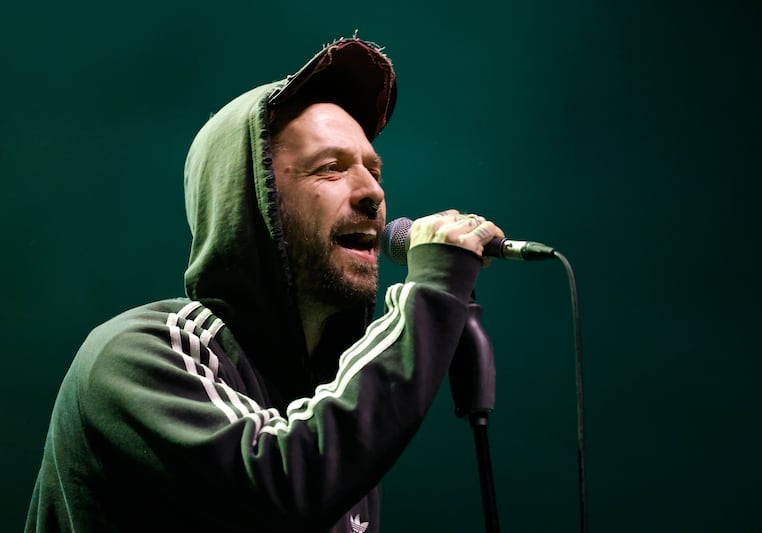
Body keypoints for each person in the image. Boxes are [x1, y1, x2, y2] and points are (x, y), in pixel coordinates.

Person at [25, 37, 504, 532]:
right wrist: (432, 293)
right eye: (331, 168)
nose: (373, 193)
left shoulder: (336, 407)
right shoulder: (133, 358)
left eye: (374, 170)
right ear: (256, 204)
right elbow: (281, 486)